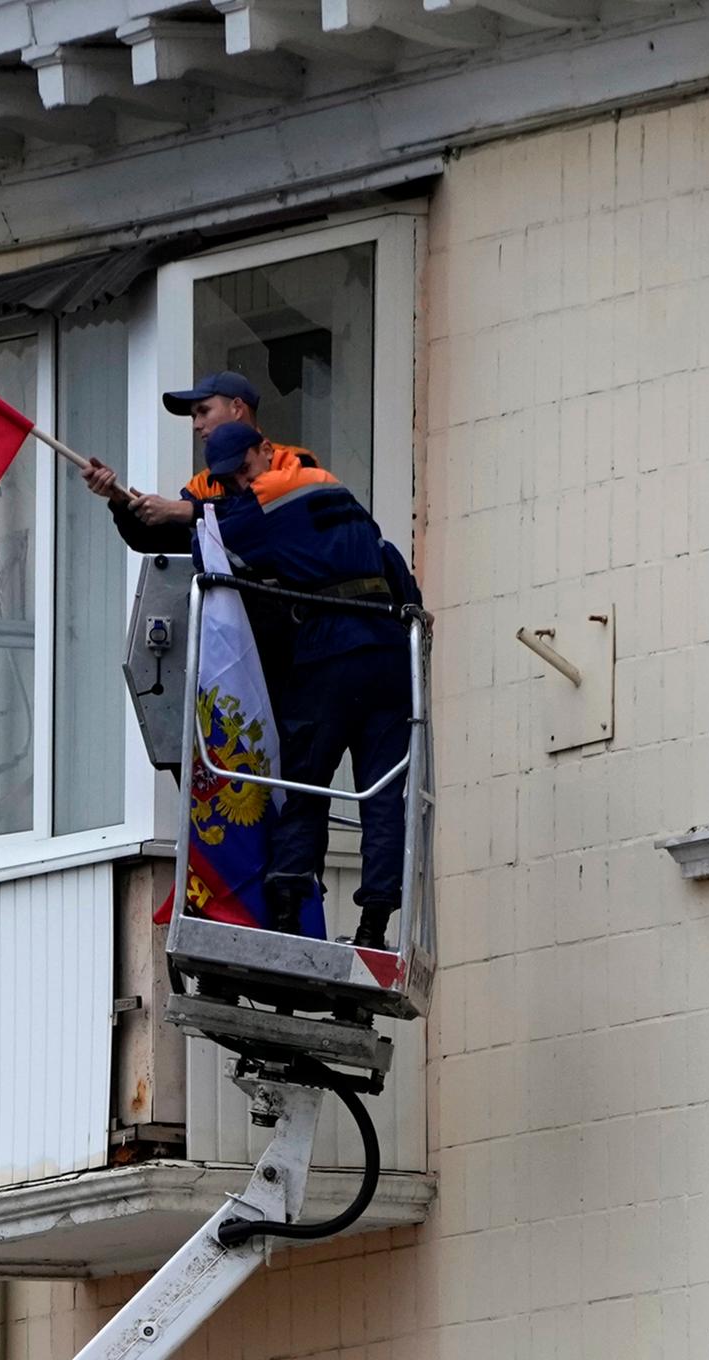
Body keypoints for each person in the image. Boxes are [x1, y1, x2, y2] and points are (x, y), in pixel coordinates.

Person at [79, 373, 420, 950]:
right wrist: (121, 498)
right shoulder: (324, 482)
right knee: (383, 794)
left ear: (253, 434)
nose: (236, 478)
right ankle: (375, 924)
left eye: (203, 412)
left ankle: (286, 913)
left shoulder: (262, 494)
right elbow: (386, 551)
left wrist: (171, 511)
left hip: (322, 651)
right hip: (389, 645)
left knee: (300, 783)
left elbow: (206, 527)